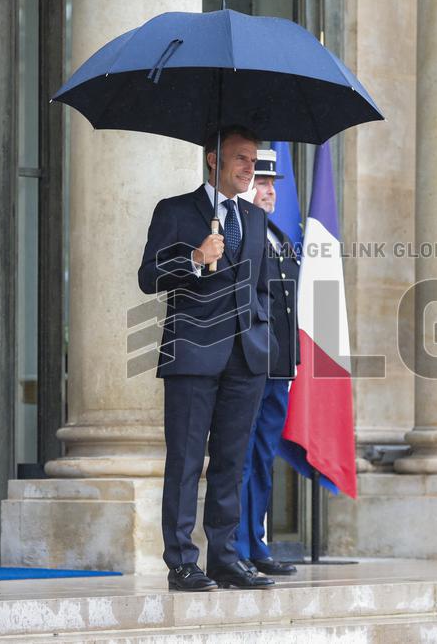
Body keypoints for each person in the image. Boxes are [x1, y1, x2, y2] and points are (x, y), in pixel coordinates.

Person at [138, 126, 278, 591]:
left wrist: (262, 340)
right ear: (213, 160)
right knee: (184, 462)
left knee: (231, 462)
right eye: (240, 158)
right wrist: (196, 258)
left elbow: (262, 291)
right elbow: (148, 276)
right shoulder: (176, 210)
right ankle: (181, 561)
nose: (249, 167)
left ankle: (225, 557)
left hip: (246, 358)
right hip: (193, 354)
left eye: (253, 159)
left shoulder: (255, 220)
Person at [235, 149, 301, 576]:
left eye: (273, 183)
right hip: (248, 364)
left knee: (261, 457)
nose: (270, 190)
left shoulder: (278, 235)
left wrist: (291, 364)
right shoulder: (240, 233)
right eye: (261, 182)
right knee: (239, 457)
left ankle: (256, 543)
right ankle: (235, 546)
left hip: (277, 367)